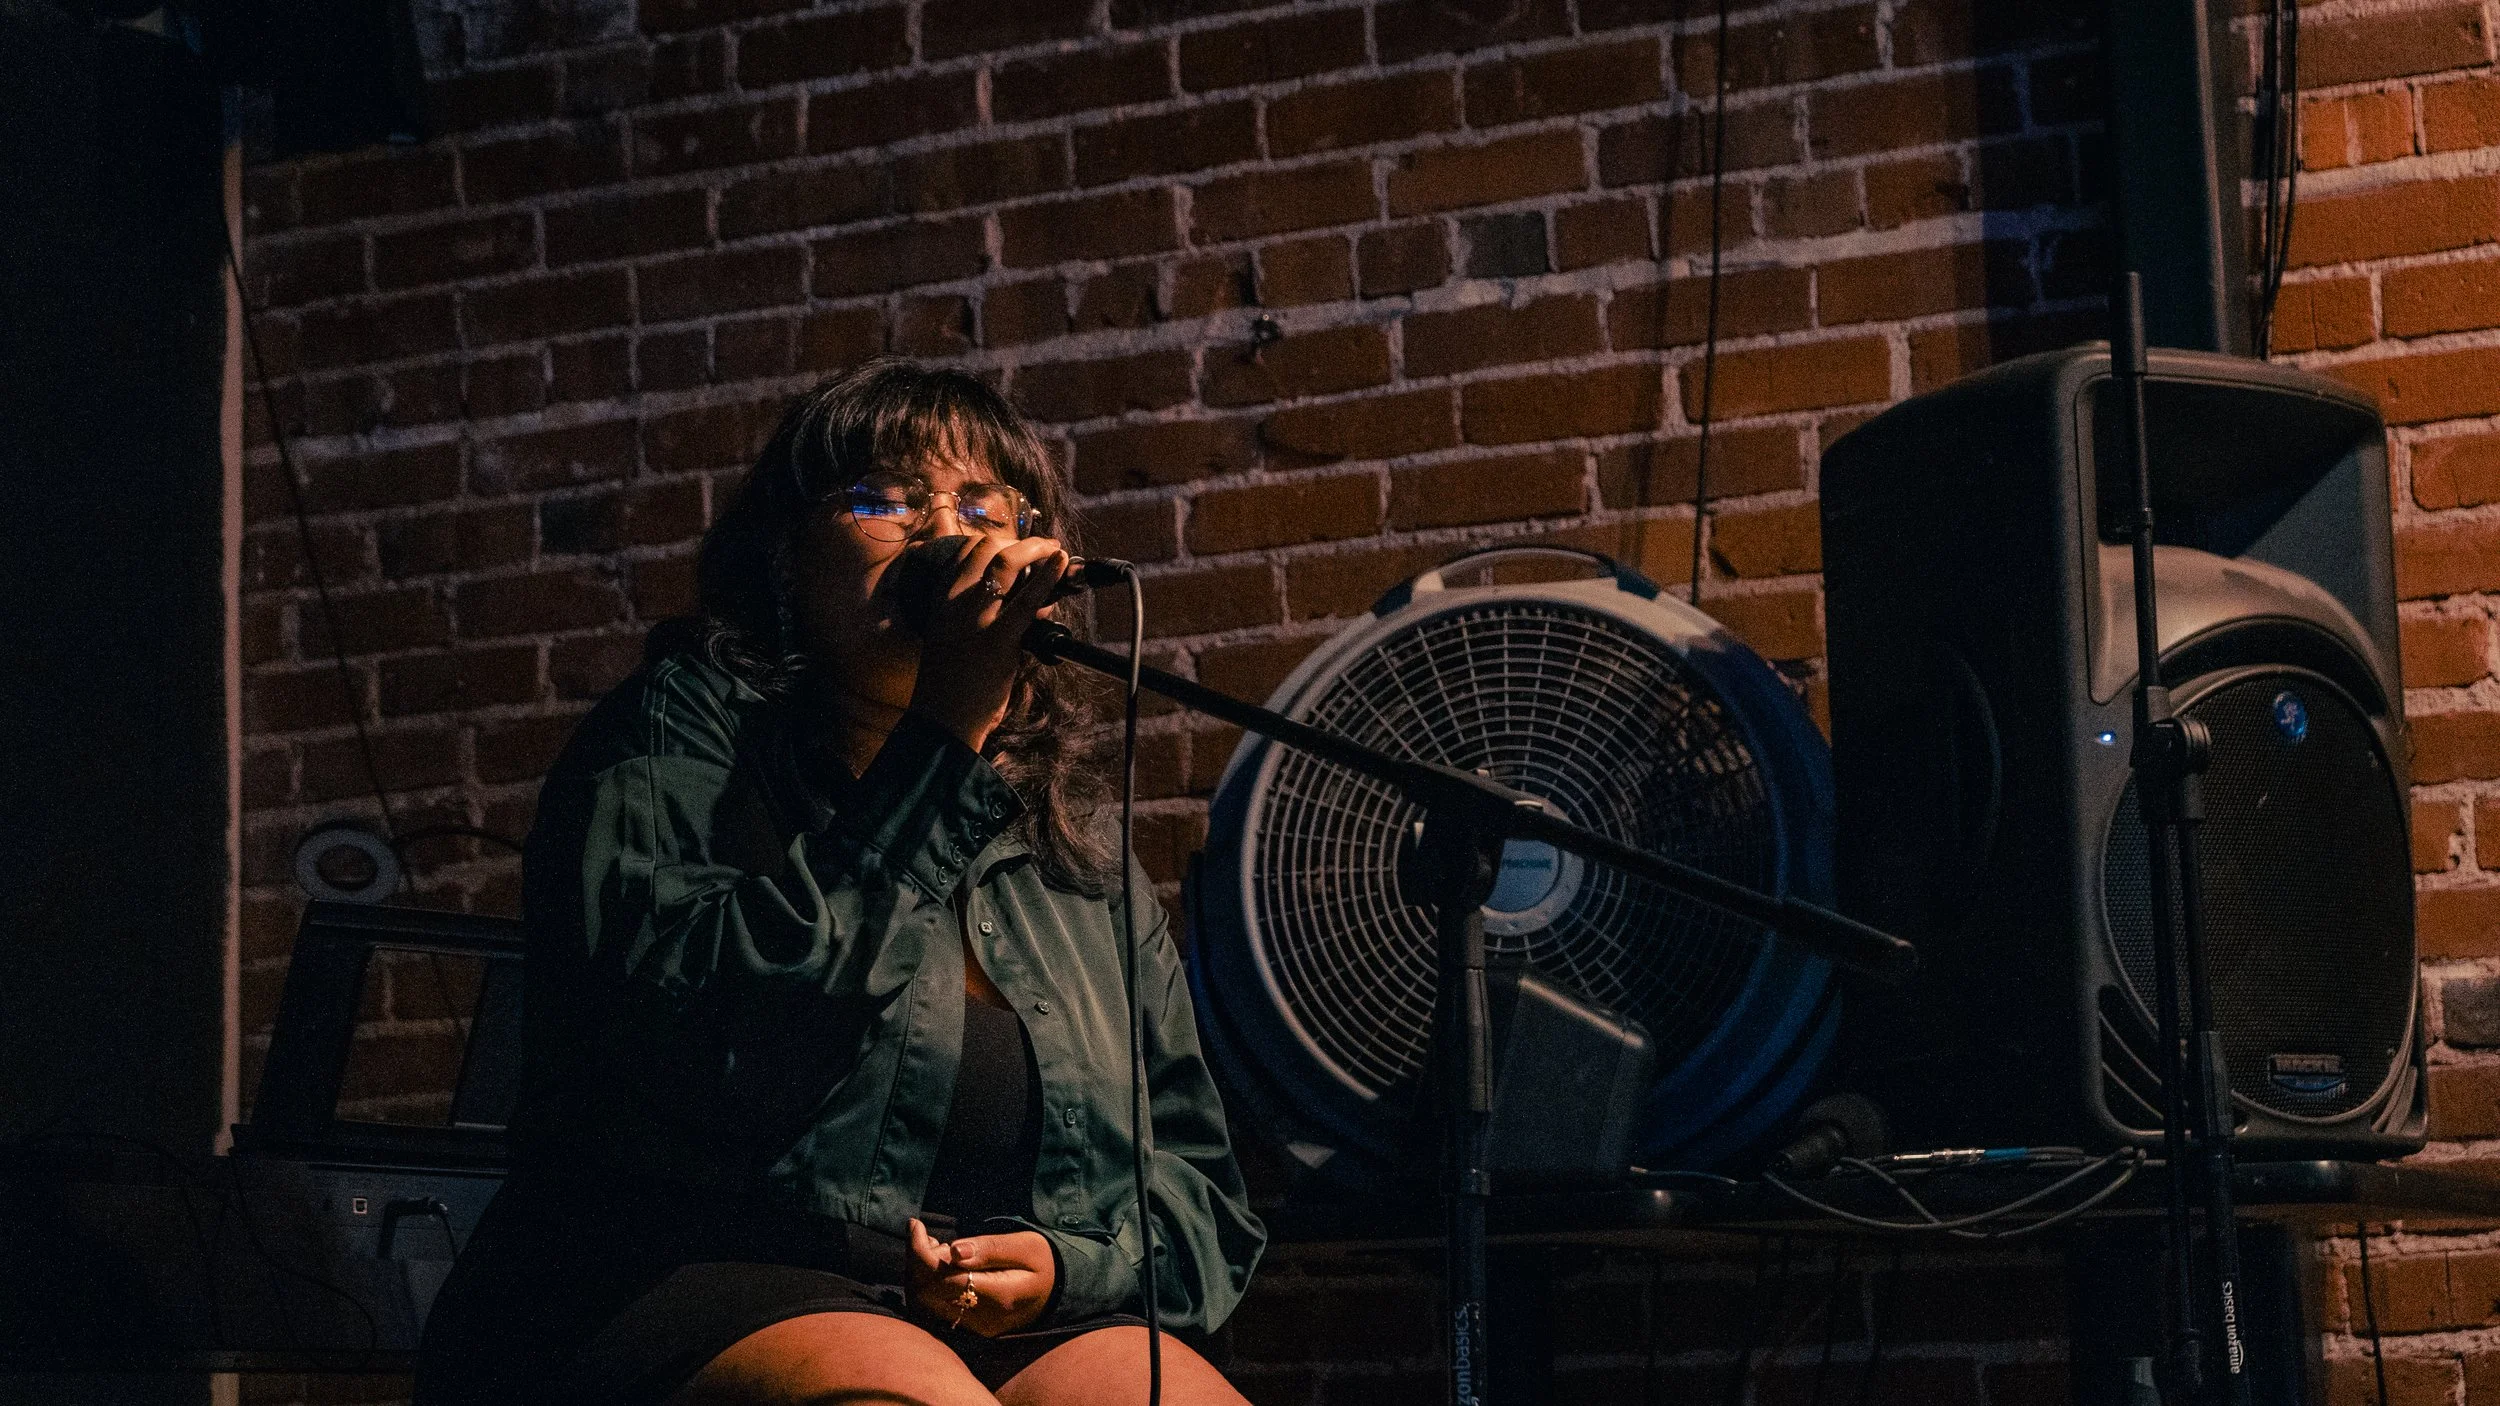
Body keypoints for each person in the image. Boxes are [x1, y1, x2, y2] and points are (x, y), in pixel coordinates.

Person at [412, 360, 1265, 1406]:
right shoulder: (681, 736)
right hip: (702, 1269)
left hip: (1004, 1317)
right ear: (785, 558)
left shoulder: (1070, 841)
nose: (941, 532)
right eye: (885, 498)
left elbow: (1197, 1188)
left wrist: (1066, 1266)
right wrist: (941, 736)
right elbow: (693, 1035)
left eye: (979, 503)